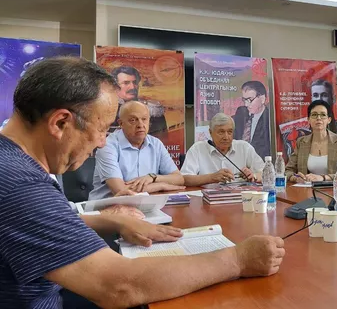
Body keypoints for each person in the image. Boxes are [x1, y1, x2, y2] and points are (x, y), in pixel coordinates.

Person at [0, 57, 284, 308]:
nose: (102, 143)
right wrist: (238, 260)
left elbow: (44, 220)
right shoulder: (19, 184)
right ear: (60, 123)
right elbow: (118, 286)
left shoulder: (12, 163)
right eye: (102, 130)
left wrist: (115, 221)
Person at [88, 101, 185, 200]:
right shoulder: (108, 145)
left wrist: (153, 177)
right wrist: (160, 186)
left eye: (144, 119)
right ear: (121, 123)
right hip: (108, 205)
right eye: (133, 120)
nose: (140, 125)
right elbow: (121, 191)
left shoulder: (156, 144)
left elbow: (179, 179)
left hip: (145, 204)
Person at [182, 113, 265, 185]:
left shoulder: (244, 148)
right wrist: (211, 178)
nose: (226, 137)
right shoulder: (198, 149)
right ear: (210, 132)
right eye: (221, 132)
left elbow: (266, 173)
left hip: (239, 196)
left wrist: (253, 176)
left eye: (230, 132)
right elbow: (185, 179)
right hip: (206, 197)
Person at [286, 100, 337, 183]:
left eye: (323, 115)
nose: (318, 118)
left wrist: (323, 177)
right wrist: (295, 178)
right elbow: (288, 171)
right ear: (308, 120)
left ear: (329, 120)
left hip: (334, 188)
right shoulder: (301, 142)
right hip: (306, 189)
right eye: (314, 115)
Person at [109, 66, 167, 134]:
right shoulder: (108, 111)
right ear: (115, 87)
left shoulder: (153, 112)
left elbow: (162, 137)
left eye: (135, 82)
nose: (132, 87)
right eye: (126, 83)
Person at [233, 80, 271, 159]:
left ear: (262, 98)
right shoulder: (241, 112)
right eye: (244, 100)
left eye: (250, 100)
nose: (246, 104)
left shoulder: (269, 119)